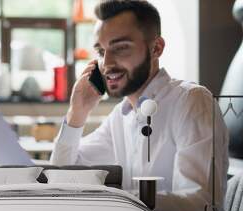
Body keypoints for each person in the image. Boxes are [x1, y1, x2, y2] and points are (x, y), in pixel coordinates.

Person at [50, 0, 229, 195]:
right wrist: (77, 112)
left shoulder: (191, 101)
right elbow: (60, 176)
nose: (107, 63)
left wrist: (116, 200)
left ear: (156, 48)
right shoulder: (121, 116)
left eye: (120, 48)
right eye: (101, 52)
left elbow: (198, 203)